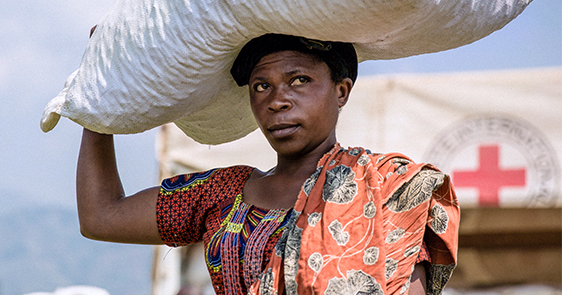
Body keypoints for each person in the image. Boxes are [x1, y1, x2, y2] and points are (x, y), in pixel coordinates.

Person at [75, 34, 459, 295]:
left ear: (340, 91)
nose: (277, 100)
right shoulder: (224, 193)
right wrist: (97, 93)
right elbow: (101, 216)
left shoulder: (385, 188)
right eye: (262, 86)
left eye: (299, 80)